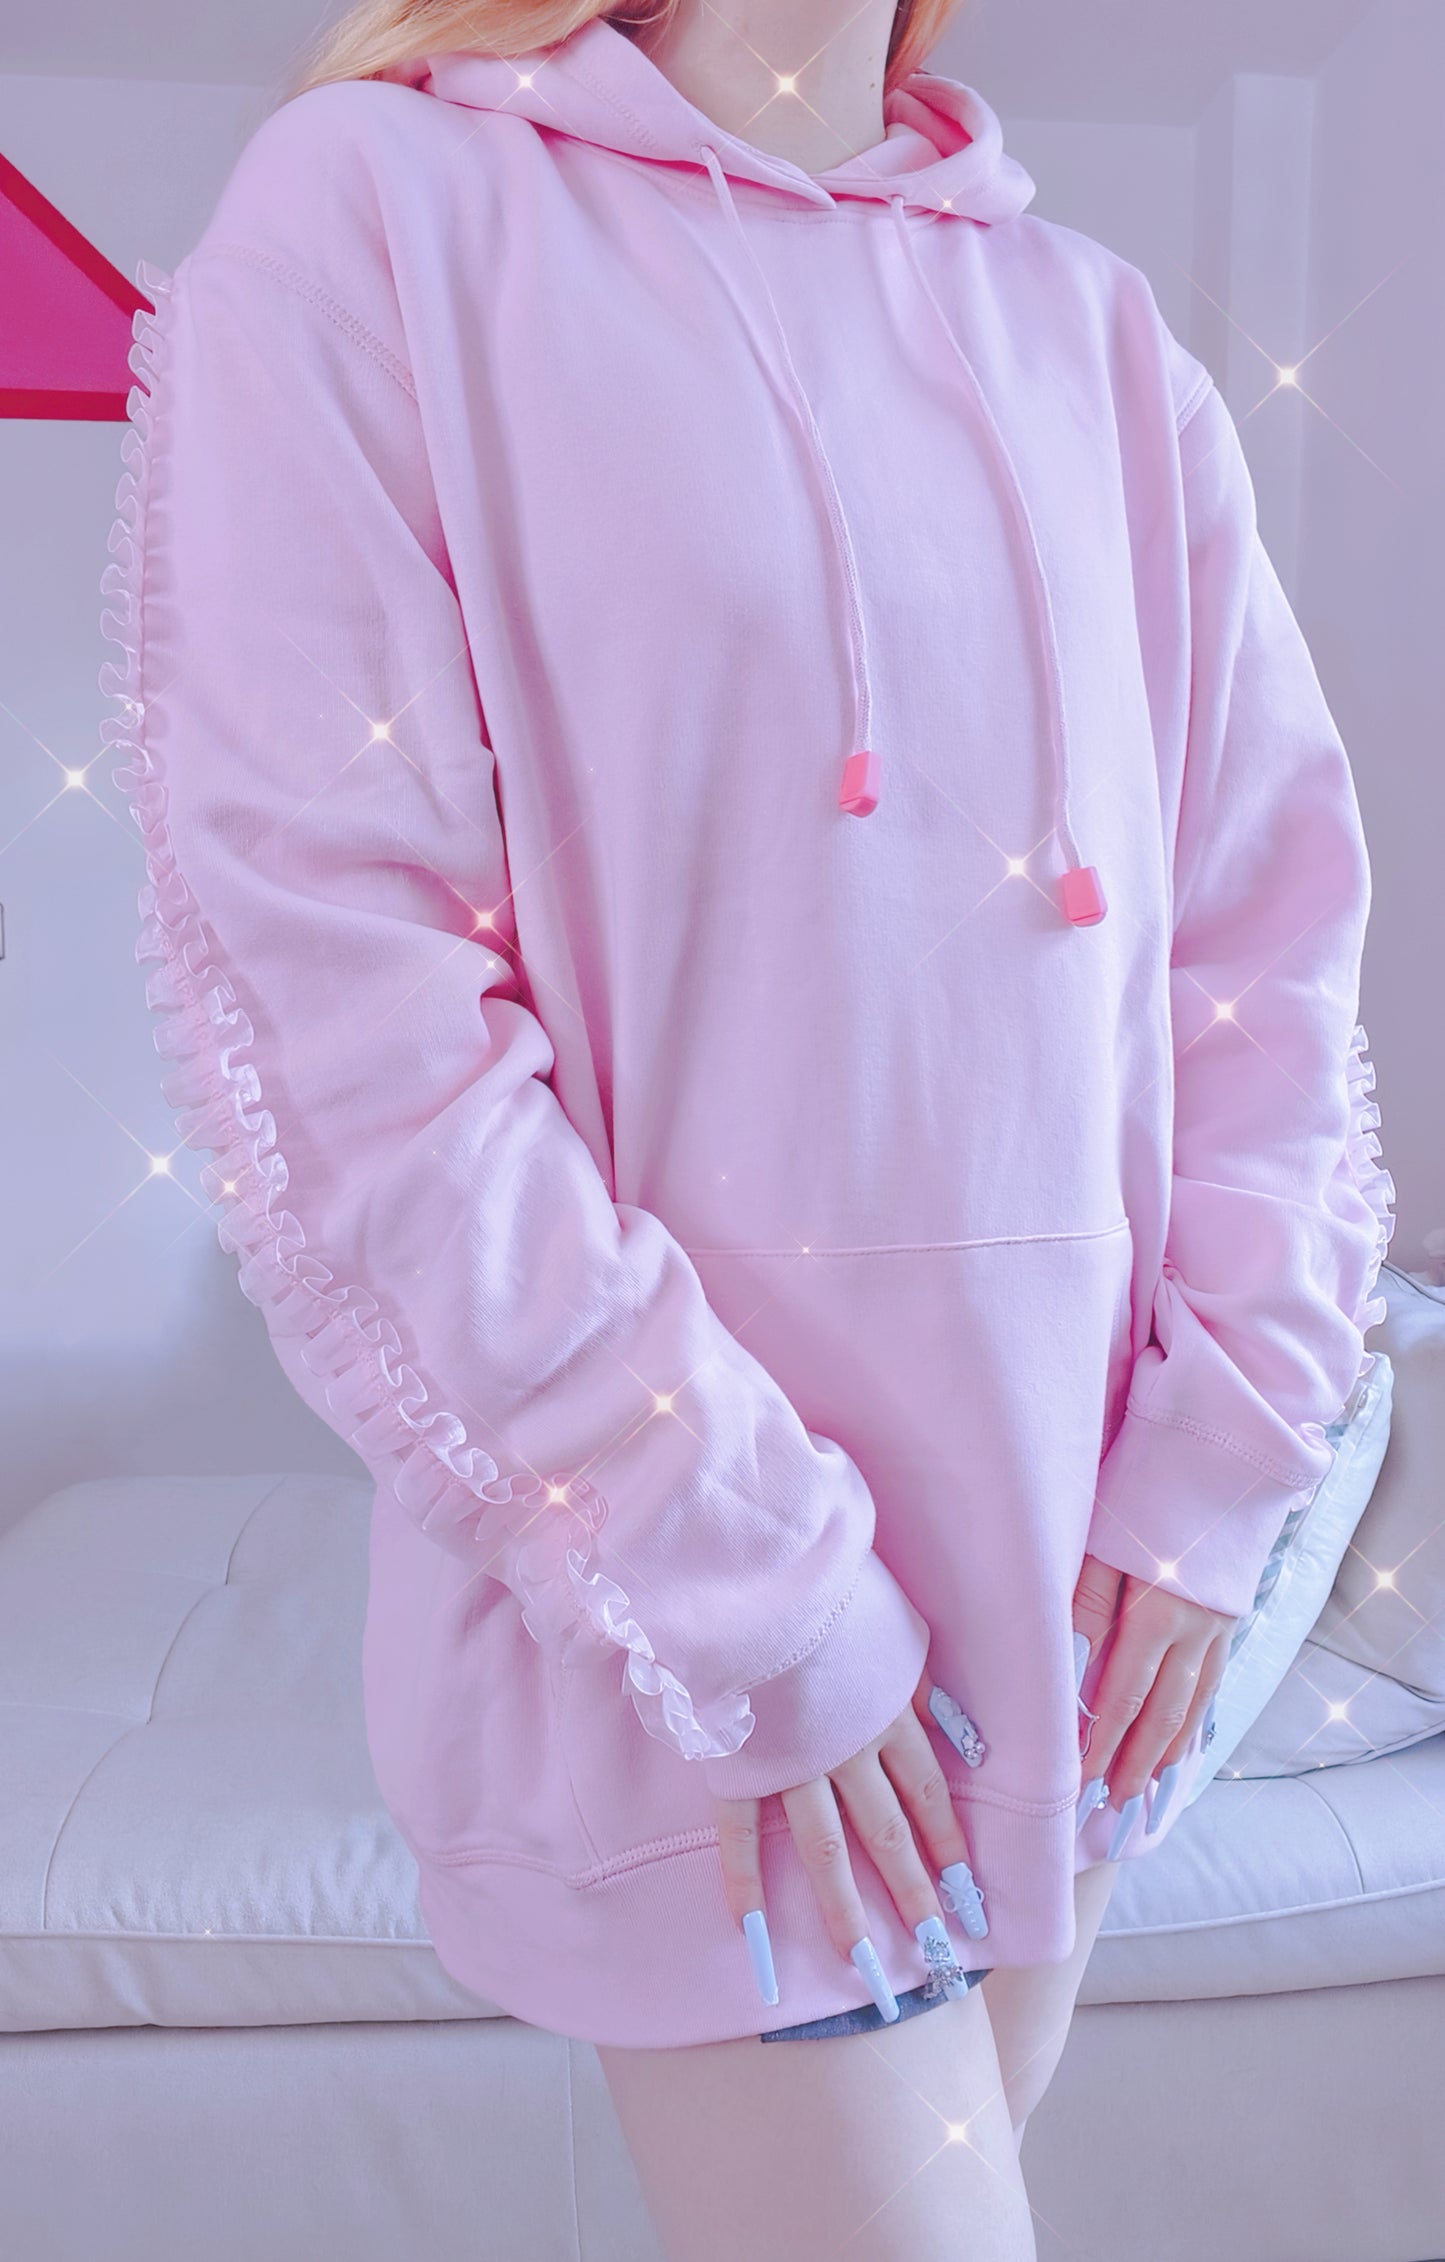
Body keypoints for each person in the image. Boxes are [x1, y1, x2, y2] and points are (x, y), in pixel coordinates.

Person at [99, 0, 1394, 2251]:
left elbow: (1265, 947)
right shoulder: (377, 214)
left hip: (1076, 1621)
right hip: (708, 1634)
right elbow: (344, 1014)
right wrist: (748, 1581)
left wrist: (1219, 1466)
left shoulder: (1093, 334)